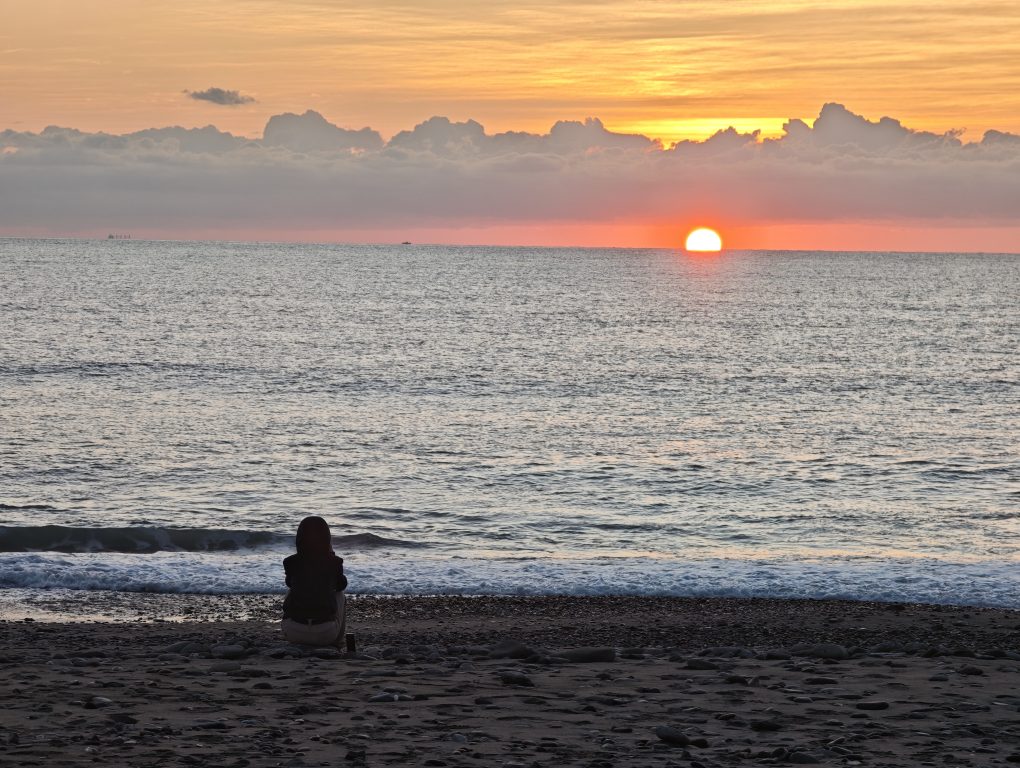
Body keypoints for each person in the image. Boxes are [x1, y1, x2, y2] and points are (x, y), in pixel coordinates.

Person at [281, 516, 348, 647]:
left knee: (291, 590)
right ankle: (338, 640)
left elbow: (289, 583)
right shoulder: (334, 562)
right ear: (327, 538)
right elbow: (342, 585)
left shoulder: (290, 561)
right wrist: (331, 555)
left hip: (294, 633)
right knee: (340, 595)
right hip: (326, 633)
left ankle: (295, 627)